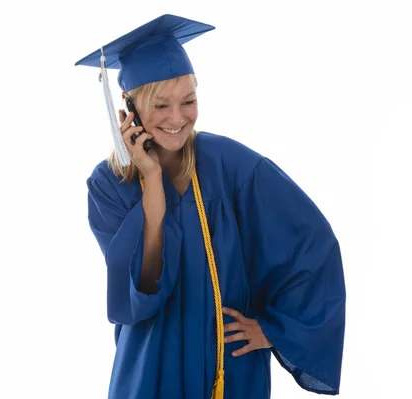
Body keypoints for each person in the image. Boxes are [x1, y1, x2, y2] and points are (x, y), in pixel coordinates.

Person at [75, 14, 346, 399]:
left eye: (188, 101)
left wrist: (274, 329)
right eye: (160, 105)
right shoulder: (108, 185)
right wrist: (151, 180)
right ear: (129, 108)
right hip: (151, 366)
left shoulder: (232, 165)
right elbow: (142, 291)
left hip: (228, 363)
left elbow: (311, 245)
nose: (177, 118)